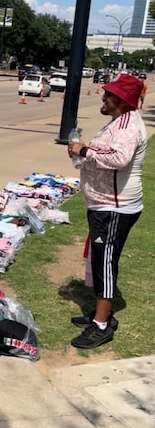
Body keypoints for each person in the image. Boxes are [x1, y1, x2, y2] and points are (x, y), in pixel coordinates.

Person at [67, 72, 147, 349]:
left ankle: (101, 325)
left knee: (105, 263)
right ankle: (100, 315)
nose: (103, 97)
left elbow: (120, 159)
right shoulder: (118, 121)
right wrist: (81, 153)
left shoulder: (127, 126)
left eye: (108, 95)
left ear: (123, 101)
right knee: (102, 260)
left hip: (114, 208)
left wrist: (85, 150)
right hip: (103, 204)